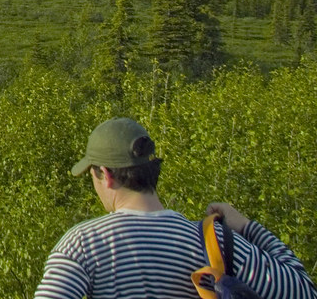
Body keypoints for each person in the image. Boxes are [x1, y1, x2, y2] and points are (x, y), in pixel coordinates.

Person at [33, 117, 317, 299]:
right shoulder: (214, 239)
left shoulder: (82, 244)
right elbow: (302, 291)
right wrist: (245, 226)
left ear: (105, 175)